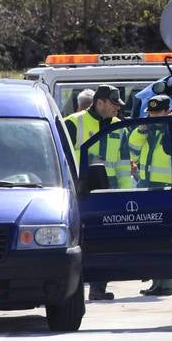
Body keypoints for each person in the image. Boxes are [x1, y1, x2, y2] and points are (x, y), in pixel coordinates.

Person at [65, 85, 125, 301]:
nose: (117, 108)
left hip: (107, 192)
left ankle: (98, 288)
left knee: (104, 240)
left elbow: (123, 163)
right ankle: (74, 289)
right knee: (78, 241)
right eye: (114, 104)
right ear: (100, 103)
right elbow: (61, 158)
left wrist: (124, 192)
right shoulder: (73, 122)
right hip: (82, 192)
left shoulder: (119, 126)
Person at [132, 95, 172, 297]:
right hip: (146, 185)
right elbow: (131, 148)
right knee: (150, 236)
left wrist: (170, 126)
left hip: (165, 187)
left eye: (156, 113)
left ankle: (165, 284)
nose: (152, 116)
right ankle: (156, 281)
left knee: (164, 238)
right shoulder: (147, 129)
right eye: (149, 113)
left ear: (167, 112)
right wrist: (143, 130)